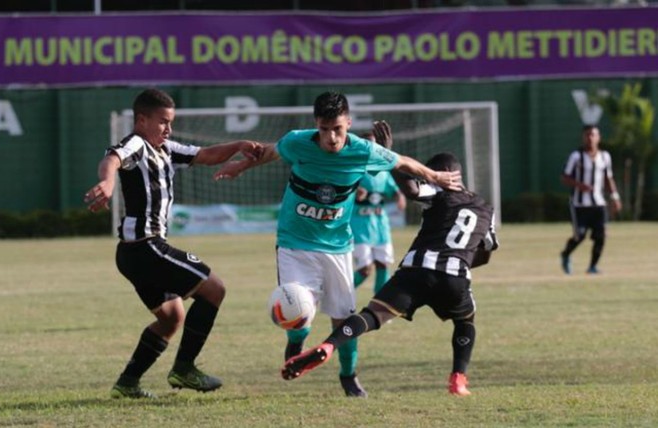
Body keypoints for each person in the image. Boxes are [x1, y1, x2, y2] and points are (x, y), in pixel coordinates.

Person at [214, 91, 462, 398]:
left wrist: (435, 175)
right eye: (324, 129)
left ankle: (349, 377)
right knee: (297, 306)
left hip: (338, 248)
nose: (331, 137)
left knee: (344, 319)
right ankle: (296, 342)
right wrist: (239, 166)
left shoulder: (362, 150)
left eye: (338, 129)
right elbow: (268, 152)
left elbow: (404, 163)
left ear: (348, 123)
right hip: (295, 243)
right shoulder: (296, 142)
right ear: (316, 124)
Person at [84, 88, 262, 399]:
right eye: (164, 121)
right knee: (214, 289)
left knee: (171, 317)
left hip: (133, 254)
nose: (169, 128)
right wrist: (108, 181)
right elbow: (112, 158)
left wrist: (239, 146)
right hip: (146, 246)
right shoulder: (137, 143)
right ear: (142, 120)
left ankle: (127, 383)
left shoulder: (165, 148)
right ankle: (185, 368)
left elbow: (205, 155)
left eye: (171, 122)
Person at [281, 149, 499, 397]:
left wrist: (391, 158)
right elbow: (487, 251)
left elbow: (412, 190)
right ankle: (458, 380)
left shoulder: (438, 190)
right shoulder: (486, 208)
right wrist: (460, 262)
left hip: (415, 272)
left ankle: (330, 345)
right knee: (465, 322)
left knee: (370, 316)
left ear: (443, 175)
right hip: (455, 278)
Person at [560, 124, 622, 275]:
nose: (590, 138)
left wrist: (615, 197)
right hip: (579, 204)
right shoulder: (576, 156)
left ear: (598, 137)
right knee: (579, 235)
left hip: (598, 203)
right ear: (583, 137)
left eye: (593, 135)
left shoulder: (605, 156)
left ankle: (592, 267)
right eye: (587, 135)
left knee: (601, 236)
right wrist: (580, 185)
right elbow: (565, 177)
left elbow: (608, 178)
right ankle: (566, 254)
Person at [351, 132, 406, 294]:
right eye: (367, 145)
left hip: (380, 227)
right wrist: (353, 191)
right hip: (359, 228)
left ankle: (380, 305)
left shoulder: (383, 171)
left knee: (383, 265)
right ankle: (335, 293)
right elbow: (338, 191)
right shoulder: (353, 169)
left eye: (374, 146)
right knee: (365, 269)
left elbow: (394, 190)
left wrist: (399, 197)